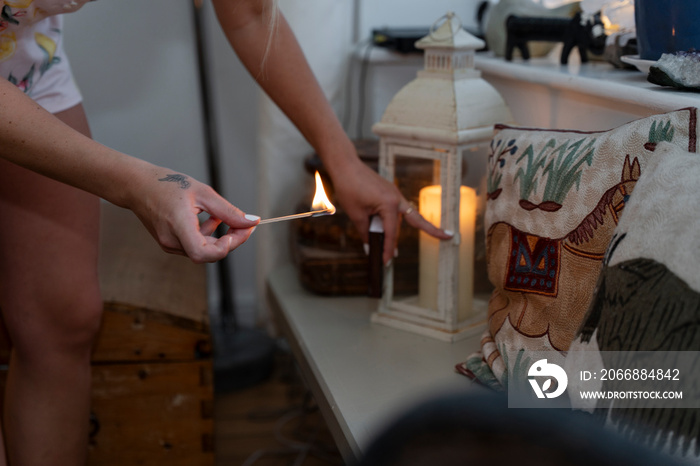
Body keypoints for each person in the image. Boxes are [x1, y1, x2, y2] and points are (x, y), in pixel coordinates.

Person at [0, 0, 450, 464]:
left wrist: (343, 161)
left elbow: (250, 13)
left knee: (63, 318)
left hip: (31, 69)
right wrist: (135, 185)